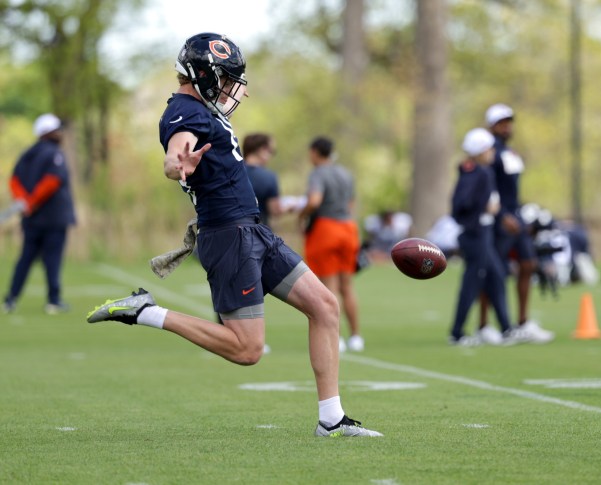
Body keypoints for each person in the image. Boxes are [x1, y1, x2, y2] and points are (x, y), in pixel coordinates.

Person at [86, 33, 381, 438]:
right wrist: (179, 165)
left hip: (253, 230)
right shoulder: (183, 113)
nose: (229, 89)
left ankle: (331, 419)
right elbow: (175, 157)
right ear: (202, 75)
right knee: (247, 350)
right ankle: (145, 311)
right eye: (224, 79)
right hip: (228, 235)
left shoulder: (203, 109)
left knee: (325, 307)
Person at [477, 104, 555, 344]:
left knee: (528, 263)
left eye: (509, 122)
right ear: (492, 126)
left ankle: (522, 321)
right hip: (501, 219)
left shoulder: (510, 152)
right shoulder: (489, 153)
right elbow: (487, 188)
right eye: (502, 123)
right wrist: (501, 216)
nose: (507, 127)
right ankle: (484, 325)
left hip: (516, 216)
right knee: (494, 271)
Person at [3, 114, 76, 315]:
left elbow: (14, 181)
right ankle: (53, 301)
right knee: (52, 259)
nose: (60, 133)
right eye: (57, 130)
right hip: (53, 217)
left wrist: (25, 202)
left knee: (25, 258)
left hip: (32, 218)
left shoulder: (27, 154)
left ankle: (10, 299)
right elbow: (52, 181)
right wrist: (31, 202)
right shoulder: (55, 153)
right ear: (48, 133)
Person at [449, 128, 516, 346]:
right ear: (480, 151)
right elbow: (461, 204)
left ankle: (507, 328)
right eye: (488, 149)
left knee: (496, 277)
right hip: (476, 234)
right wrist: (486, 208)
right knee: (472, 282)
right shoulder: (480, 173)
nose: (492, 153)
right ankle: (457, 332)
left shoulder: (474, 171)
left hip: (481, 233)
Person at [298, 137, 364, 353]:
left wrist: (303, 214)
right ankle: (356, 336)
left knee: (329, 288)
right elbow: (351, 204)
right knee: (347, 286)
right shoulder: (345, 173)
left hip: (326, 229)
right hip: (348, 228)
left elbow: (315, 201)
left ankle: (336, 338)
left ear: (316, 152)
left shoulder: (318, 173)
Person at [242, 133, 282, 227]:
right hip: (259, 233)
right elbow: (274, 210)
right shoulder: (268, 176)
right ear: (262, 149)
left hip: (231, 233)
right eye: (271, 151)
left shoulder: (231, 172)